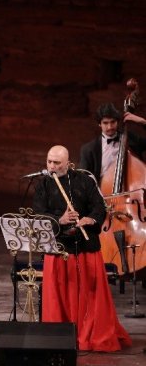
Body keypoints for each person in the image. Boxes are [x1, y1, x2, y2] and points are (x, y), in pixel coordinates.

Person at [32, 145, 131, 352]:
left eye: (57, 163)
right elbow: (39, 214)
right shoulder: (43, 184)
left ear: (68, 164)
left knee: (90, 295)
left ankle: (90, 334)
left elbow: (99, 207)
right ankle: (60, 336)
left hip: (85, 249)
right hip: (58, 249)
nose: (52, 166)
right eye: (49, 162)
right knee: (58, 297)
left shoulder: (85, 181)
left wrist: (89, 219)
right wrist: (60, 219)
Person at [79, 103, 146, 182]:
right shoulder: (88, 149)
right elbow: (83, 180)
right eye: (105, 123)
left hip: (133, 186)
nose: (110, 127)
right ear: (99, 124)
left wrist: (143, 122)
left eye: (113, 122)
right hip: (102, 189)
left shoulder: (130, 138)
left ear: (117, 122)